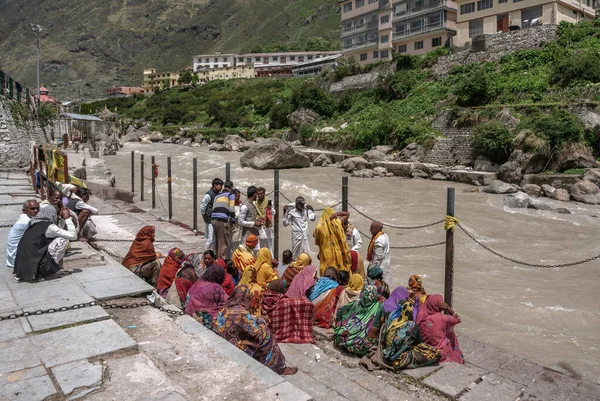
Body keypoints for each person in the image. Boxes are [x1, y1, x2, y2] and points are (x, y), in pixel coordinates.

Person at [212, 285, 298, 375]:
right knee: (267, 335)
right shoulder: (241, 313)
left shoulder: (224, 308)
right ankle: (279, 367)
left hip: (225, 340)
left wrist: (256, 318)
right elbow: (257, 334)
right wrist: (262, 321)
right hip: (236, 345)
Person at [360, 295, 441, 372]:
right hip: (398, 359)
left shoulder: (390, 318)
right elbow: (419, 342)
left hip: (385, 352)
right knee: (436, 354)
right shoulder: (412, 326)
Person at [13, 205, 77, 282]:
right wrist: (67, 218)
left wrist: (62, 219)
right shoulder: (49, 227)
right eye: (57, 215)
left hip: (25, 266)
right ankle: (47, 272)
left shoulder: (36, 223)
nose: (57, 217)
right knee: (61, 240)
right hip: (35, 266)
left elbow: (60, 230)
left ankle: (44, 270)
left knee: (58, 238)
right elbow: (73, 236)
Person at [333, 286, 385, 356]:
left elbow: (342, 309)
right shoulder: (378, 307)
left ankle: (348, 342)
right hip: (363, 345)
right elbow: (381, 324)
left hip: (345, 339)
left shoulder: (356, 303)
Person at [261, 279, 315, 344]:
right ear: (279, 289)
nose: (285, 290)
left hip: (268, 330)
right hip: (280, 332)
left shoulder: (264, 298)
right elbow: (306, 303)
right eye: (284, 288)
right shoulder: (283, 302)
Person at [417, 294, 464, 364]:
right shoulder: (444, 318)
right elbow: (458, 319)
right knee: (449, 334)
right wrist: (448, 308)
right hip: (442, 352)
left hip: (427, 351)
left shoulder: (421, 317)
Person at [238, 248, 278, 316]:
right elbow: (275, 280)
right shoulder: (266, 266)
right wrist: (275, 270)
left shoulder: (255, 264)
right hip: (263, 290)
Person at [313, 207, 351, 276]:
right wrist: (338, 213)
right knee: (339, 271)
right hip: (338, 252)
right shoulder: (337, 223)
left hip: (325, 255)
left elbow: (315, 238)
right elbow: (347, 214)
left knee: (327, 272)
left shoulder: (319, 227)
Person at [6, 200, 39, 269]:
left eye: (37, 208)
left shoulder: (23, 218)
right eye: (32, 209)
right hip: (16, 259)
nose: (36, 211)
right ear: (24, 210)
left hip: (12, 257)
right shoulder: (26, 222)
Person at [211, 181, 235, 259]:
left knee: (216, 243)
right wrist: (233, 221)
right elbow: (231, 209)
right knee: (223, 244)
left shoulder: (218, 196)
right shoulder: (231, 195)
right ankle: (221, 264)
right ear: (231, 188)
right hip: (222, 220)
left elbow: (213, 207)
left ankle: (216, 261)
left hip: (214, 220)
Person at [200, 178, 223, 251]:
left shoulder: (219, 194)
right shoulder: (208, 195)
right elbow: (202, 206)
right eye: (220, 185)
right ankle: (206, 254)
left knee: (215, 239)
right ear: (214, 185)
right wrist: (204, 215)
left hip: (216, 218)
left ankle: (213, 254)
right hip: (210, 219)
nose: (221, 187)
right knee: (211, 240)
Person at [254, 187, 275, 254]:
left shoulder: (269, 201)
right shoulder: (255, 202)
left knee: (269, 246)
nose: (259, 195)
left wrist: (270, 208)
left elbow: (273, 212)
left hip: (267, 226)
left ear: (264, 194)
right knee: (259, 246)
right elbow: (254, 213)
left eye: (261, 194)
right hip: (259, 226)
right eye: (258, 194)